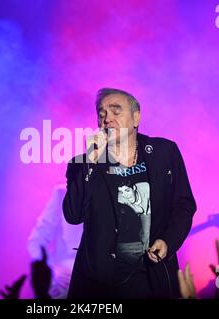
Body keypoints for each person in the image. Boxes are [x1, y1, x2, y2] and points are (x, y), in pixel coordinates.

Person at [63, 88, 197, 298]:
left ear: (136, 118)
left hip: (149, 277)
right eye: (101, 114)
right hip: (99, 285)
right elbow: (73, 215)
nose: (107, 119)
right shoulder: (82, 163)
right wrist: (90, 162)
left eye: (116, 112)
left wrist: (169, 241)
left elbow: (184, 205)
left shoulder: (164, 153)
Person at [27, 184, 83, 298]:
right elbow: (36, 242)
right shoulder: (62, 194)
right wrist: (50, 271)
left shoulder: (113, 197)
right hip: (64, 283)